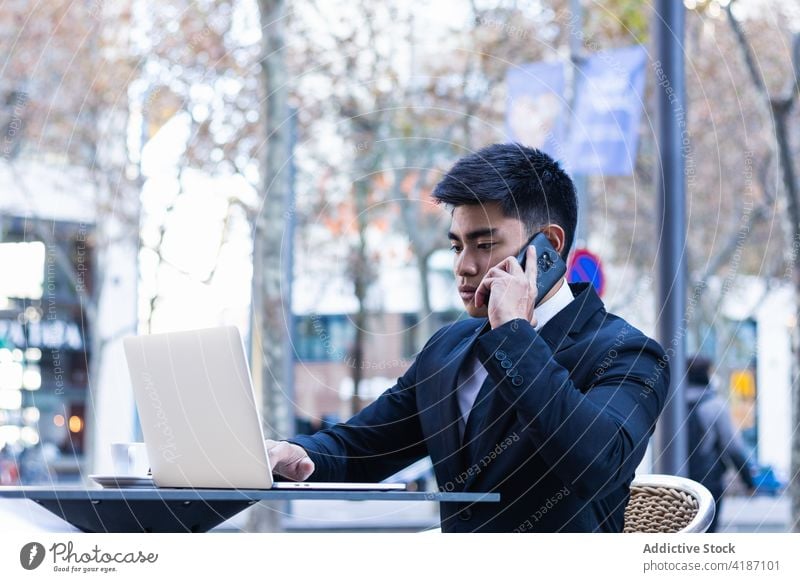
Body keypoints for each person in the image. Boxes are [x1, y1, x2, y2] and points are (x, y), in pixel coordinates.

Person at [268, 143, 670, 532]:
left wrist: (513, 334)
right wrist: (296, 454)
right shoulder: (448, 348)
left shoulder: (628, 353)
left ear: (550, 245)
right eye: (457, 246)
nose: (463, 266)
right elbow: (363, 448)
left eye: (485, 244)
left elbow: (597, 464)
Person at [686, 355, 755, 533]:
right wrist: (748, 480)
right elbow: (733, 447)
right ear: (706, 375)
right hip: (707, 482)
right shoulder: (714, 405)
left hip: (674, 482)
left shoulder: (670, 404)